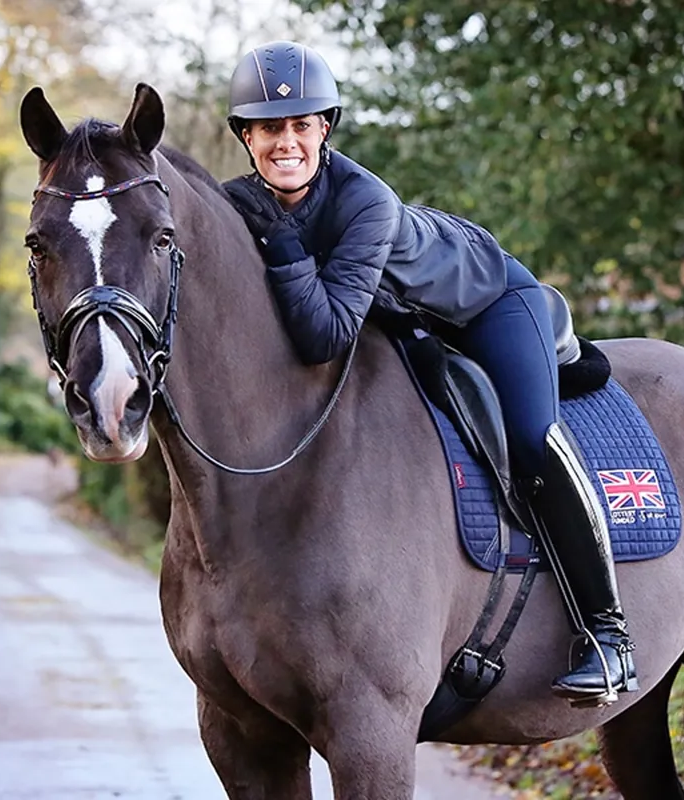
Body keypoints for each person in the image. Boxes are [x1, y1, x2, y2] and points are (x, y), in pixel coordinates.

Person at [222, 40, 638, 706]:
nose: (286, 142)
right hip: (408, 326)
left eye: (301, 125)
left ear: (324, 128)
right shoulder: (237, 203)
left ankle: (609, 637)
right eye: (270, 127)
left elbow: (325, 333)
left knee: (530, 438)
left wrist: (284, 245)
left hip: (489, 305)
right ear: (246, 135)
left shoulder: (365, 202)